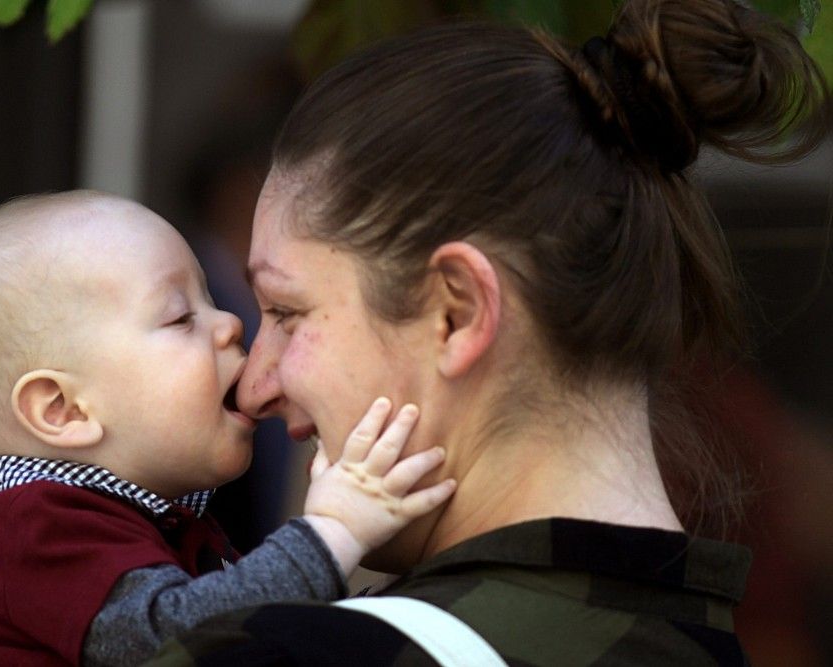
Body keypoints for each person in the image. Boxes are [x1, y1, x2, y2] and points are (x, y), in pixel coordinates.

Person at [144, 0, 832, 664]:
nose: (253, 387)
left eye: (288, 313)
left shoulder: (283, 656)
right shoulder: (714, 646)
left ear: (458, 311)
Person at [0, 191, 457, 666]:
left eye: (209, 300)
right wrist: (333, 530)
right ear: (63, 409)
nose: (231, 323)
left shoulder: (134, 517)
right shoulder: (38, 529)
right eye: (181, 317)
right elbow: (177, 645)